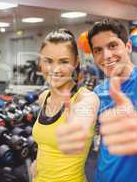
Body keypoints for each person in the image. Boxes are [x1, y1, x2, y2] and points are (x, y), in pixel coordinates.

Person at [58, 19, 137, 182]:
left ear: (128, 47)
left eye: (112, 45)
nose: (106, 55)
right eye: (98, 50)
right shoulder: (99, 92)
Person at [31, 29, 99, 182]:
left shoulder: (86, 98)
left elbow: (79, 126)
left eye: (63, 62)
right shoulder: (43, 98)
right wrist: (38, 162)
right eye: (48, 61)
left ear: (75, 62)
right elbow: (46, 143)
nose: (55, 69)